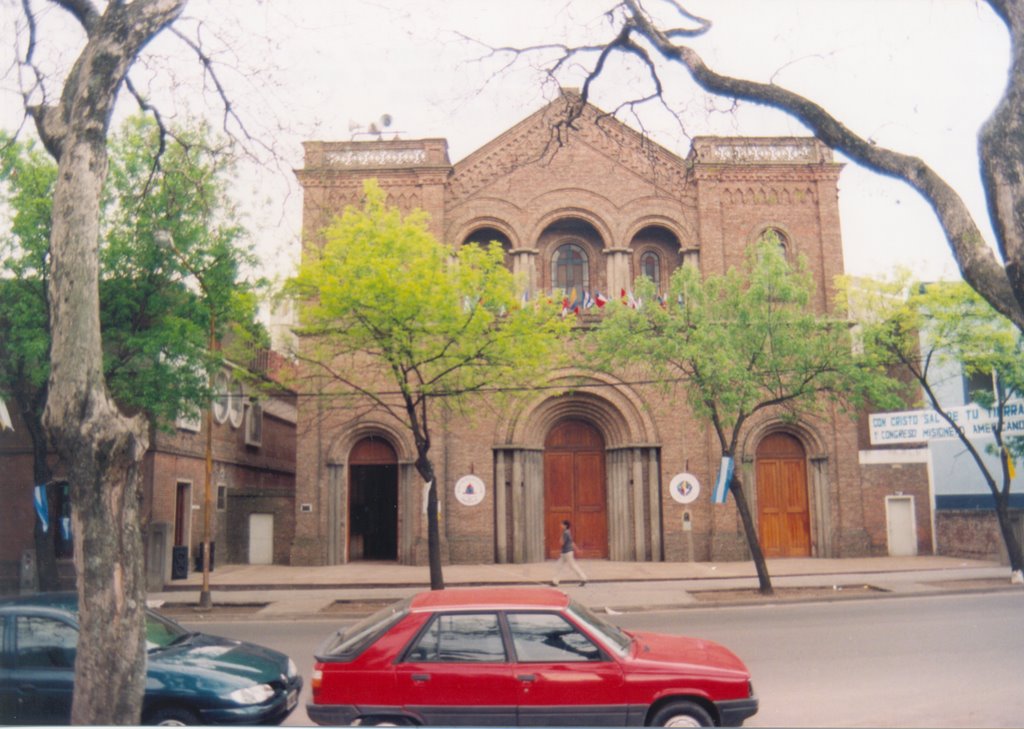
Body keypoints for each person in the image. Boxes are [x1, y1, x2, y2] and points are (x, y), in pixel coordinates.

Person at [552, 519, 587, 587]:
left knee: (572, 566)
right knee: (560, 566)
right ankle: (555, 581)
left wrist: (560, 537)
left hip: (566, 553)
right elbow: (571, 542)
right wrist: (577, 549)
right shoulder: (568, 532)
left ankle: (583, 578)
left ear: (565, 526)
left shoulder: (565, 533)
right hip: (566, 552)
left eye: (562, 524)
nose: (560, 525)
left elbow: (561, 543)